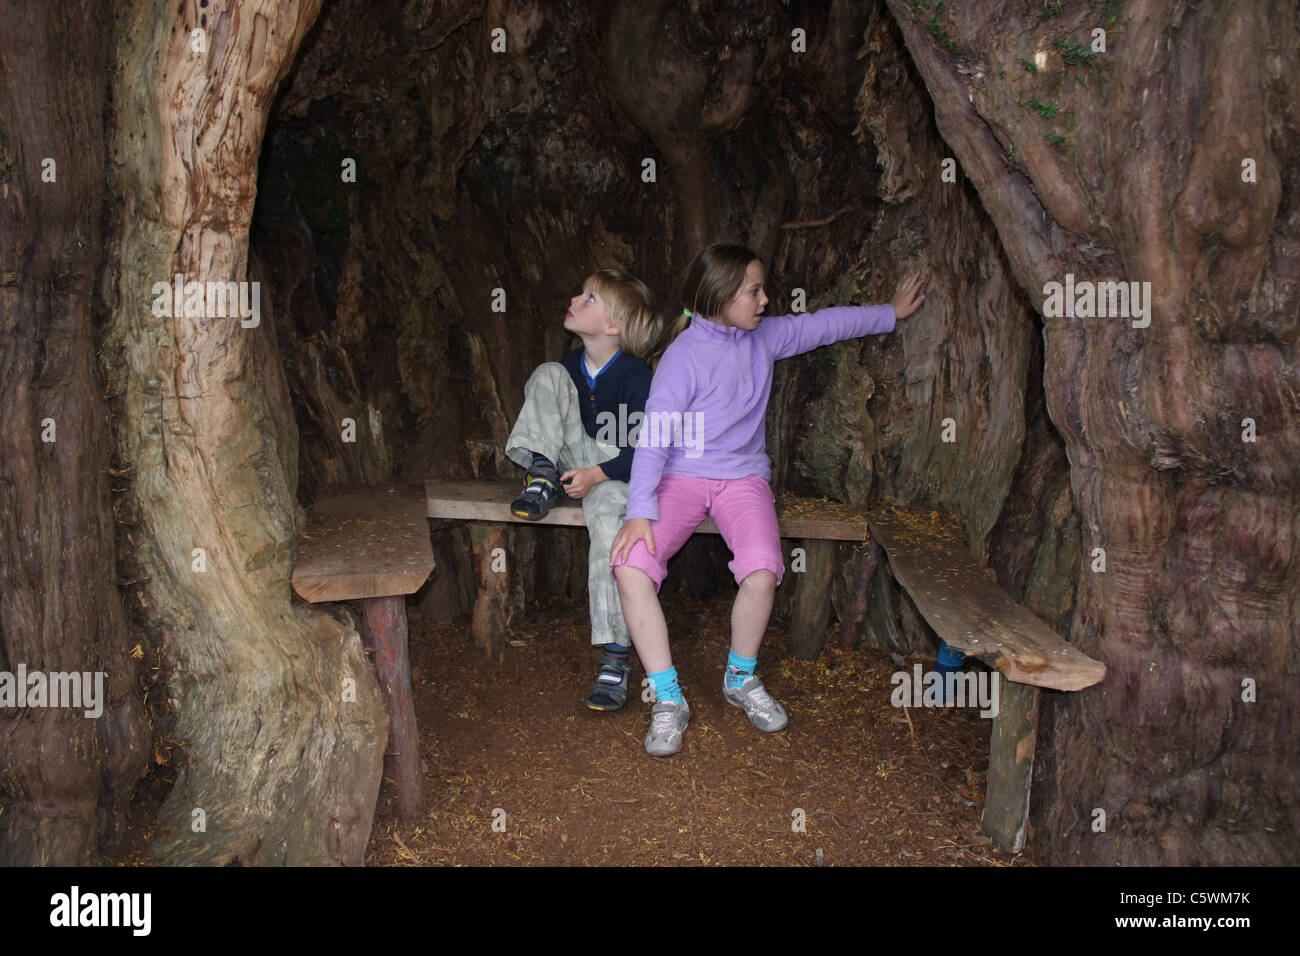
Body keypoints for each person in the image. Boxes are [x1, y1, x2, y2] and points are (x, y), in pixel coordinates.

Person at [610, 242, 926, 756]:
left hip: (742, 480)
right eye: (753, 291)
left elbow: (824, 325)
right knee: (630, 567)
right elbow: (655, 436)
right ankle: (667, 697)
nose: (764, 299)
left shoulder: (766, 337)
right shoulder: (684, 356)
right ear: (719, 296)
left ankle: (740, 678)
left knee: (762, 571)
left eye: (762, 289)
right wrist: (641, 508)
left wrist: (890, 312)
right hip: (682, 477)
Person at [504, 268, 665, 711]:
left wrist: (598, 474)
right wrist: (564, 466)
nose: (576, 298)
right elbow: (560, 413)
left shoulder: (636, 377)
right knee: (547, 373)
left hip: (614, 475)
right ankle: (541, 475)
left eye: (590, 298)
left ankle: (616, 654)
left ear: (613, 327)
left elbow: (647, 453)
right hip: (567, 459)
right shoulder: (568, 367)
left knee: (611, 536)